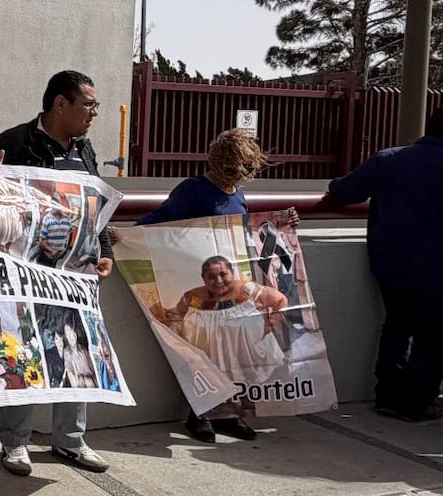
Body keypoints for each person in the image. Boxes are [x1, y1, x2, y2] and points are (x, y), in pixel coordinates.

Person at [0, 69, 113, 475]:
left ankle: (70, 441)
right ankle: (15, 444)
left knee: (77, 349)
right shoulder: (15, 142)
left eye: (95, 106)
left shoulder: (86, 151)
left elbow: (94, 209)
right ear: (60, 104)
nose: (94, 113)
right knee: (25, 351)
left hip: (75, 275)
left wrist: (103, 251)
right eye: (88, 104)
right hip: (26, 272)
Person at [131, 128, 294, 442]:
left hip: (231, 290)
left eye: (245, 168)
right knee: (205, 351)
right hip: (199, 284)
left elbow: (247, 232)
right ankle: (201, 415)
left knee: (232, 352)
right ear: (219, 162)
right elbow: (161, 219)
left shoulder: (237, 194)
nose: (239, 174)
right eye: (233, 168)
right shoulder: (193, 189)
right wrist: (126, 237)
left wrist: (286, 223)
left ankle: (228, 414)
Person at [322, 108, 443, 422]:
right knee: (432, 337)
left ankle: (388, 396)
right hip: (438, 270)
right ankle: (416, 403)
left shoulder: (389, 159)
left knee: (397, 326)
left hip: (392, 265)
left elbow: (343, 192)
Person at [171, 255, 288, 384]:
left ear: (232, 273)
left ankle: (247, 402)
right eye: (211, 276)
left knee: (247, 387)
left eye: (223, 274)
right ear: (203, 278)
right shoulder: (193, 297)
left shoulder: (248, 290)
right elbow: (177, 315)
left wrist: (270, 322)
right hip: (211, 356)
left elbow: (281, 300)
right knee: (217, 386)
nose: (218, 280)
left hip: (244, 355)